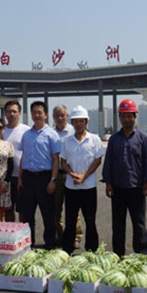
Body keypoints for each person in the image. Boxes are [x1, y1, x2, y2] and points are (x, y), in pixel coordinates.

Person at [101, 99, 147, 257]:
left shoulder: (143, 138)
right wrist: (108, 182)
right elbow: (108, 161)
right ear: (119, 118)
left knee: (139, 222)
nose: (126, 119)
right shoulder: (114, 139)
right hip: (118, 187)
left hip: (137, 187)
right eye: (123, 116)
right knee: (118, 223)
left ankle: (141, 252)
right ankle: (118, 253)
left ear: (135, 117)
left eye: (129, 116)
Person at [60, 106, 104, 254]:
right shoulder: (67, 141)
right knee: (70, 220)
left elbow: (98, 160)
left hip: (88, 187)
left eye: (81, 121)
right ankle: (67, 249)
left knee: (90, 220)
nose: (78, 124)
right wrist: (71, 174)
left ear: (86, 122)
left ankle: (92, 249)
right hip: (71, 187)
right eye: (75, 121)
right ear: (72, 123)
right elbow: (63, 162)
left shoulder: (94, 139)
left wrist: (84, 176)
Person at [18, 101, 61, 249]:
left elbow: (55, 159)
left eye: (39, 112)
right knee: (27, 214)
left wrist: (53, 180)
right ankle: (28, 244)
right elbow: (23, 156)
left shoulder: (52, 134)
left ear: (45, 115)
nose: (37, 115)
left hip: (45, 178)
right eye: (34, 112)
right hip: (28, 178)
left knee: (48, 214)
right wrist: (20, 178)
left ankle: (50, 244)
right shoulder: (26, 135)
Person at [52, 104, 83, 248]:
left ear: (67, 116)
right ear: (53, 117)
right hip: (56, 174)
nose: (60, 118)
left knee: (74, 209)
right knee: (56, 208)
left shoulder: (73, 131)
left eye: (62, 115)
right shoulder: (51, 133)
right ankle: (59, 237)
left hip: (71, 174)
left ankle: (76, 237)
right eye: (57, 115)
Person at [2, 100, 30, 222]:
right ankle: (11, 232)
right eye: (9, 111)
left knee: (23, 210)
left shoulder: (27, 131)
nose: (11, 114)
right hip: (4, 177)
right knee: (8, 209)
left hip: (22, 176)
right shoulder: (0, 130)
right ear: (5, 113)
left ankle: (22, 232)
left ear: (19, 113)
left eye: (14, 111)